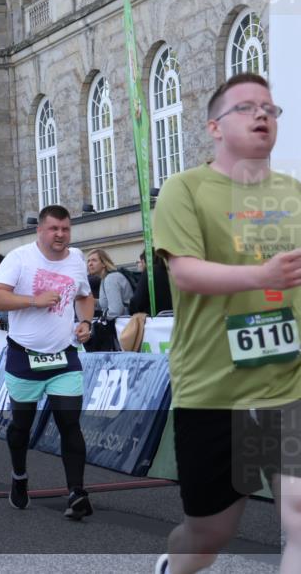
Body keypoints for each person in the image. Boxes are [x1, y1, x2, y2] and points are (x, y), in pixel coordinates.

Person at [152, 73, 301, 574]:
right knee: (208, 536)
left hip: (288, 385)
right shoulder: (185, 189)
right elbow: (185, 273)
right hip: (214, 390)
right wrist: (261, 275)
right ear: (214, 126)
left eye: (270, 108)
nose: (262, 114)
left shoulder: (294, 193)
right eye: (247, 107)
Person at [0, 204, 95, 520]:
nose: (60, 234)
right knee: (22, 426)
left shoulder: (76, 258)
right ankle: (19, 476)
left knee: (69, 423)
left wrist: (85, 322)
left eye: (65, 229)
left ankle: (76, 493)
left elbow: (84, 295)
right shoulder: (20, 258)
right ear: (40, 230)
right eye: (53, 229)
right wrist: (33, 300)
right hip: (25, 357)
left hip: (64, 356)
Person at [84, 248, 134, 351]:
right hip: (121, 328)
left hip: (123, 329)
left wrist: (101, 320)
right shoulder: (105, 279)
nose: (90, 264)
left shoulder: (111, 279)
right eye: (88, 261)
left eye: (94, 260)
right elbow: (105, 304)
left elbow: (115, 310)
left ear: (104, 263)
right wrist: (91, 301)